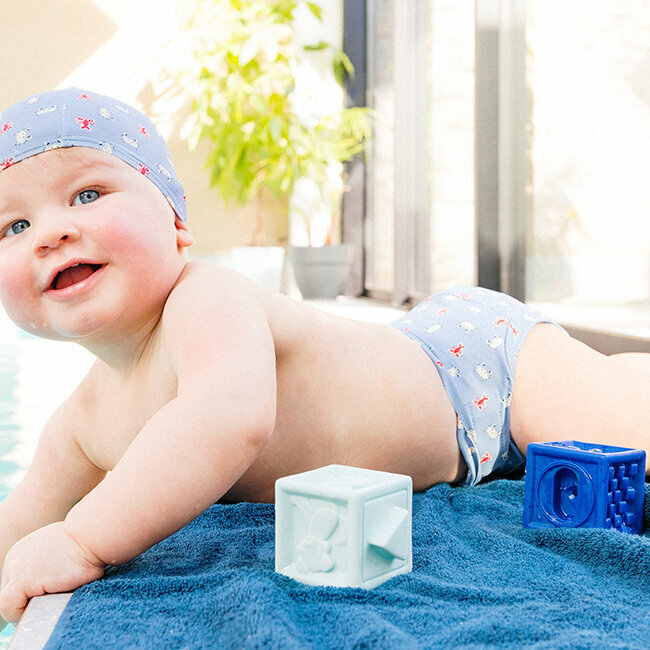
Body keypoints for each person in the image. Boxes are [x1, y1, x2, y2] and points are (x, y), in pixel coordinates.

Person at [0, 87, 648, 627]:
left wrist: (82, 539)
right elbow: (21, 520)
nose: (51, 233)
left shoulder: (208, 300)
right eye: (14, 227)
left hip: (474, 370)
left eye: (87, 195)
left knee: (621, 414)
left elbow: (223, 421)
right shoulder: (82, 420)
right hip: (440, 384)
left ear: (175, 224)